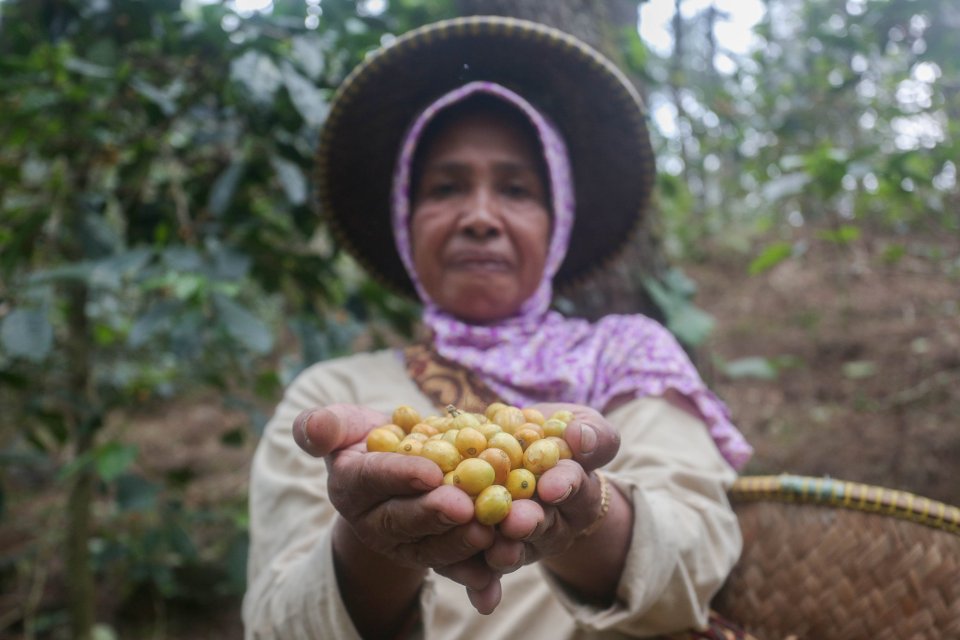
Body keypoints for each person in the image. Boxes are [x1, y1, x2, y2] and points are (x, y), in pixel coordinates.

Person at [243, 16, 754, 640]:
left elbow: (701, 557)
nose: (480, 217)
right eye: (446, 187)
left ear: (555, 221)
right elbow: (278, 623)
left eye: (515, 189)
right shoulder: (330, 399)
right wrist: (373, 541)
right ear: (409, 224)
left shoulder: (629, 359)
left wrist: (589, 515)